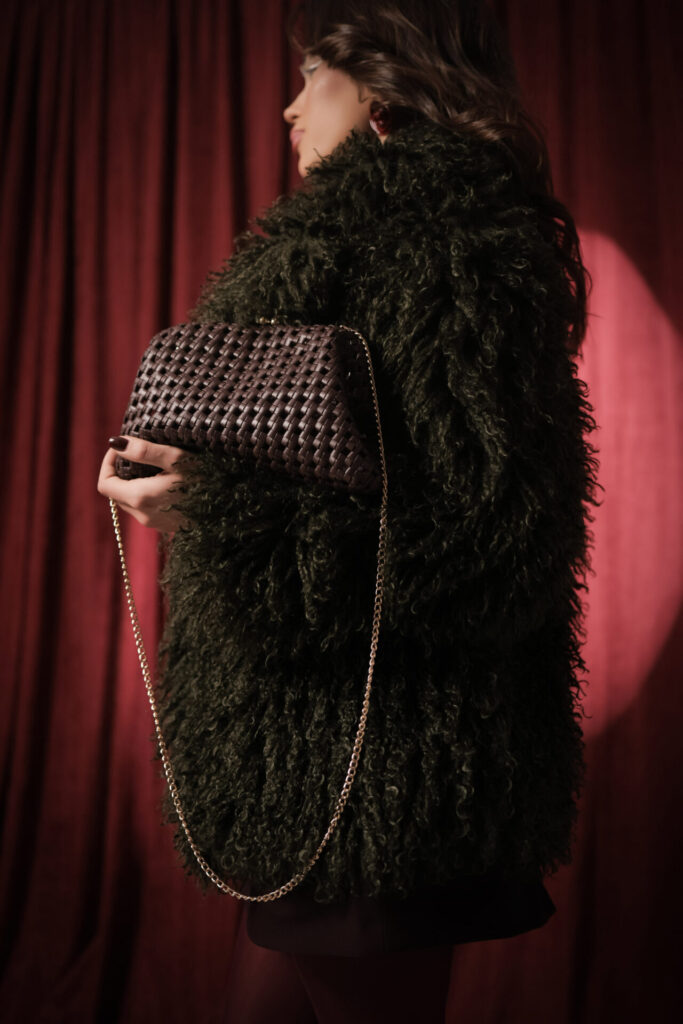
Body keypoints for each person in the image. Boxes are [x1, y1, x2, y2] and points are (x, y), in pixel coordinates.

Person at [98, 1, 600, 1020]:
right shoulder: (351, 246)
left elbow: (500, 537)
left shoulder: (454, 247)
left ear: (383, 83)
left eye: (312, 72)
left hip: (384, 773)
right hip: (314, 765)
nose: (289, 107)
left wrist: (221, 519)